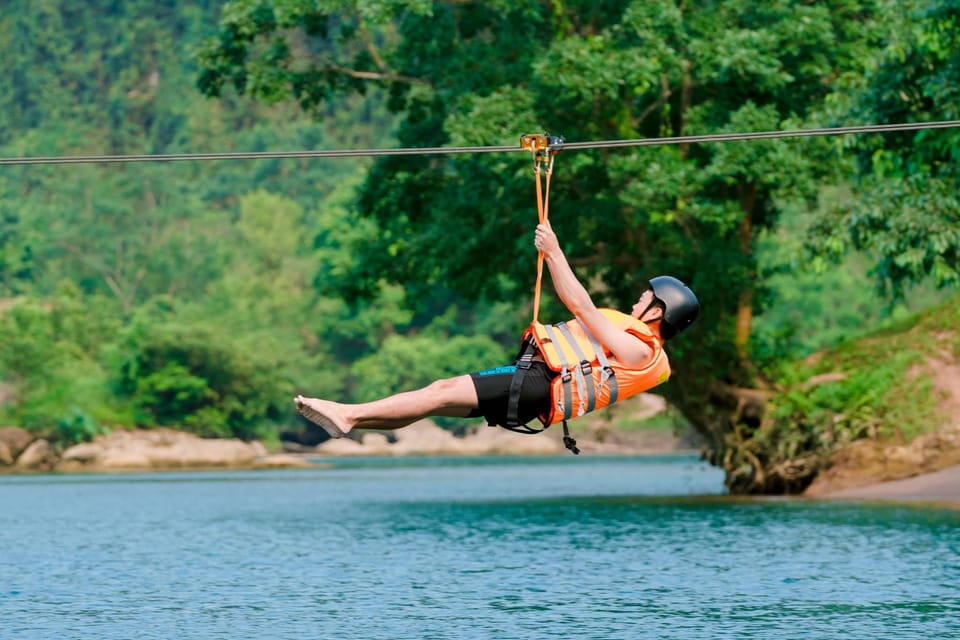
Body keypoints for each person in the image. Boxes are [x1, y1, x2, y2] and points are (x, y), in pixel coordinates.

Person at [295, 222, 699, 442]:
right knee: (432, 401)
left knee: (437, 392)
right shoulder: (643, 351)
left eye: (643, 298)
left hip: (539, 385)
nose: (633, 304)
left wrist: (555, 253)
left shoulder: (640, 351)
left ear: (658, 311)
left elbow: (582, 307)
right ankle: (353, 420)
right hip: (534, 390)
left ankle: (349, 413)